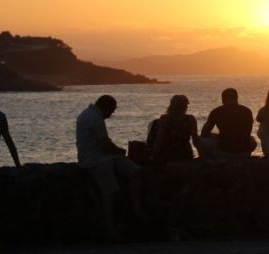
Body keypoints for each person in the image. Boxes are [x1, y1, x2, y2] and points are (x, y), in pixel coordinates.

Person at [76, 95, 147, 239]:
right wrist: (120, 151)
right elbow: (105, 145)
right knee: (109, 193)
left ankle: (136, 208)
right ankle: (111, 230)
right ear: (106, 108)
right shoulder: (95, 118)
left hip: (104, 156)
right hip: (95, 160)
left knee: (136, 172)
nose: (112, 114)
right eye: (112, 111)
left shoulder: (89, 114)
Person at [199, 88, 256, 158]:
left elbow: (204, 133)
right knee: (252, 140)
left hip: (224, 151)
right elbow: (248, 132)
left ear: (223, 99)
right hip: (244, 152)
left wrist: (218, 136)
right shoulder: (247, 111)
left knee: (201, 140)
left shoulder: (217, 111)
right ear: (236, 98)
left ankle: (207, 159)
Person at [151, 95, 200, 163]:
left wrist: (153, 155)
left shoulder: (165, 119)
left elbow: (159, 139)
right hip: (185, 154)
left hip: (167, 154)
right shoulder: (190, 119)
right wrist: (201, 154)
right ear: (185, 107)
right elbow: (195, 140)